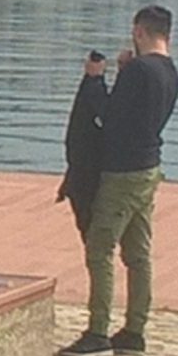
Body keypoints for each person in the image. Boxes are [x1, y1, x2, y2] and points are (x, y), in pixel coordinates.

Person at [60, 5, 178, 356]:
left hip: (122, 172)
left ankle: (97, 332)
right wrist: (125, 73)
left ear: (139, 32)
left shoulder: (140, 70)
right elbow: (138, 114)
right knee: (138, 254)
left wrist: (96, 78)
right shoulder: (169, 71)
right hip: (148, 167)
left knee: (100, 249)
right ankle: (134, 329)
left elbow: (110, 117)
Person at [57, 52, 110, 234]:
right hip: (83, 167)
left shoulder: (93, 90)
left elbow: (104, 116)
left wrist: (95, 80)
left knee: (92, 230)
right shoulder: (91, 89)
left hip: (87, 170)